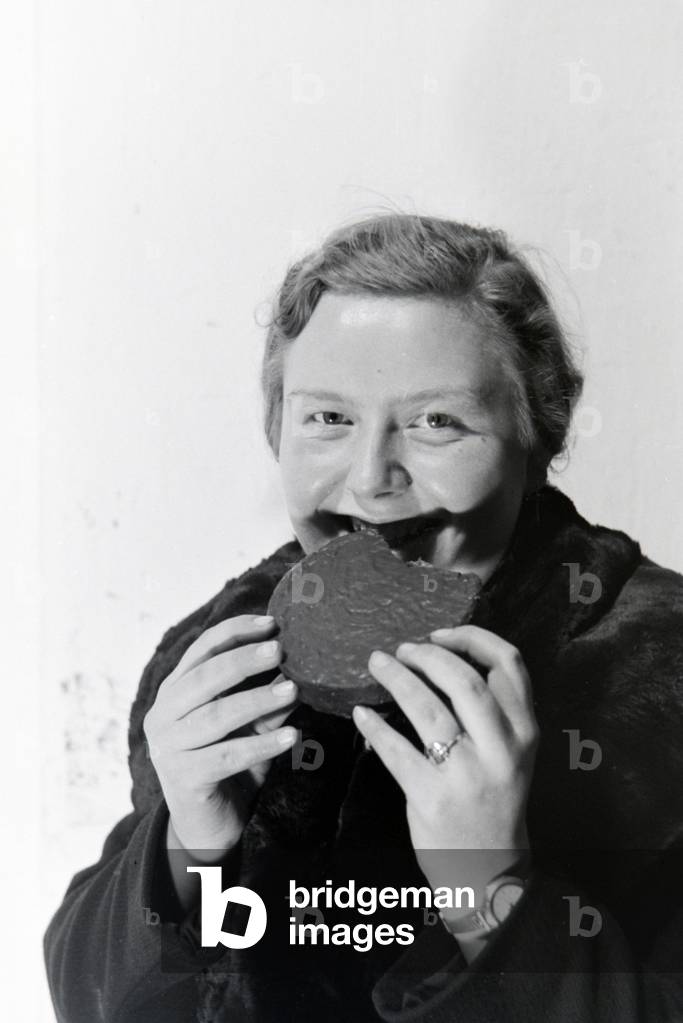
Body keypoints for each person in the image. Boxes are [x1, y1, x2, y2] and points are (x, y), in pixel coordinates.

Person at [44, 214, 683, 1022]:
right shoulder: (219, 651)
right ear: (276, 427)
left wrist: (490, 891)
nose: (373, 477)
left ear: (536, 433)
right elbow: (92, 1000)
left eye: (436, 422)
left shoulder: (657, 665)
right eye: (328, 418)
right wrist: (182, 849)